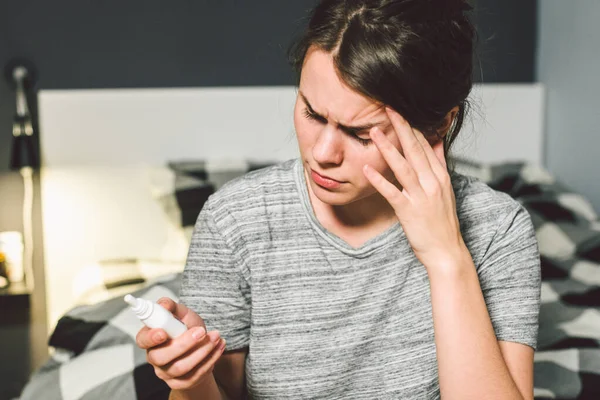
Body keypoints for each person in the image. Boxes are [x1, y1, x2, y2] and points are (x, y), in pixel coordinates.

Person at [135, 0, 541, 398]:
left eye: (361, 134)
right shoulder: (235, 221)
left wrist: (447, 257)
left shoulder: (497, 230)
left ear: (439, 125)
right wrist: (192, 380)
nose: (323, 153)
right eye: (312, 113)